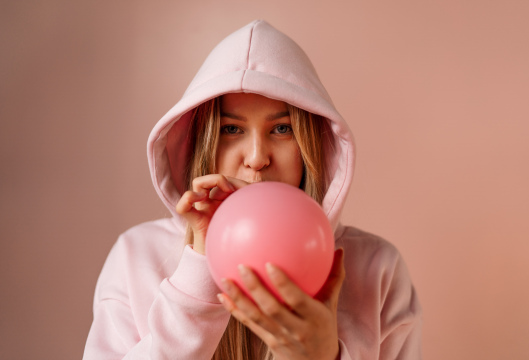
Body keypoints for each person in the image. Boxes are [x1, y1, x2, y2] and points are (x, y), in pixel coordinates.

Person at [83, 20, 422, 359]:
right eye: (232, 128)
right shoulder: (136, 257)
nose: (257, 158)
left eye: (282, 129)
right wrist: (200, 271)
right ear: (202, 142)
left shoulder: (378, 269)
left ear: (312, 144)